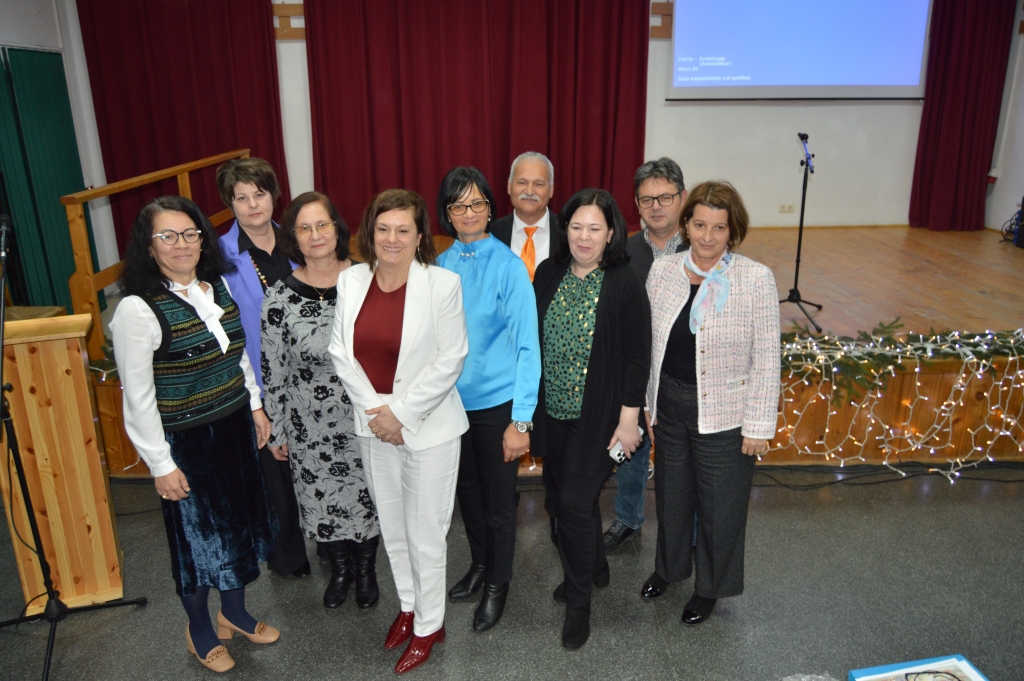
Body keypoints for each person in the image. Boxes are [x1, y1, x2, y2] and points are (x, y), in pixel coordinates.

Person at [110, 196, 279, 673]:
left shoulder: (216, 285)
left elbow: (237, 354)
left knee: (238, 527)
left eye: (190, 233)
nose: (181, 244)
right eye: (167, 236)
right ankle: (199, 629)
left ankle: (234, 614)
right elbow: (138, 398)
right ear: (148, 247)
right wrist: (160, 464)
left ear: (203, 239)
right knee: (197, 543)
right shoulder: (138, 310)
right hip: (187, 443)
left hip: (234, 427)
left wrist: (254, 406)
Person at [328, 189, 468, 675]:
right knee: (393, 526)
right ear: (370, 232)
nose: (392, 239)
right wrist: (378, 413)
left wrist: (401, 414)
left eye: (403, 230)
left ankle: (430, 626)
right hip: (373, 426)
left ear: (419, 235)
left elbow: (451, 358)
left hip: (429, 427)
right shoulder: (351, 280)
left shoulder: (442, 284)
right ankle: (409, 607)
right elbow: (340, 352)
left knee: (426, 533)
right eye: (383, 229)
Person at [642, 181, 780, 626]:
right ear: (686, 225)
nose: (707, 236)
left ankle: (709, 588)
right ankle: (669, 569)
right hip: (670, 403)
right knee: (672, 497)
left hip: (725, 413)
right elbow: (650, 345)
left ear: (732, 231)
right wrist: (648, 404)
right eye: (699, 225)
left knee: (721, 508)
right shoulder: (663, 270)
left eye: (718, 228)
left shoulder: (755, 279)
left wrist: (758, 425)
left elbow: (767, 358)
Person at [531, 188, 651, 649]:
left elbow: (637, 359)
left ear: (611, 232)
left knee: (575, 505)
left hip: (602, 420)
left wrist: (629, 421)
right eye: (576, 226)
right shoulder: (549, 272)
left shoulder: (624, 282)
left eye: (594, 228)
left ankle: (579, 603)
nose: (584, 236)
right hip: (553, 413)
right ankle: (595, 568)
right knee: (557, 501)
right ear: (565, 229)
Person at [260, 192, 381, 611]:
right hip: (309, 425)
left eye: (322, 225)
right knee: (324, 497)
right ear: (293, 236)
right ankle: (341, 571)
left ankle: (366, 571)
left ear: (337, 228)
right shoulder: (279, 297)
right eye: (304, 228)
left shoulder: (369, 280)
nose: (315, 235)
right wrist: (276, 428)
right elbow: (273, 368)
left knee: (368, 495)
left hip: (368, 416)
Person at [435, 167, 541, 632]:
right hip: (450, 406)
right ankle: (480, 565)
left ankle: (498, 584)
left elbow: (528, 348)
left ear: (490, 208)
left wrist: (521, 421)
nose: (469, 212)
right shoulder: (439, 266)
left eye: (477, 203)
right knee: (468, 495)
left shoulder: (509, 266)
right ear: (447, 213)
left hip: (498, 406)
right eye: (459, 205)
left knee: (499, 505)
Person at [216, 158, 309, 579]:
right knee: (276, 476)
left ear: (274, 196)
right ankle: (288, 556)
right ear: (230, 203)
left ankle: (333, 545)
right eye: (241, 197)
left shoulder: (298, 239)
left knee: (317, 463)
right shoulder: (219, 256)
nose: (253, 205)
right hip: (259, 380)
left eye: (259, 194)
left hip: (311, 376)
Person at [604, 158, 690, 554]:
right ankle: (627, 518)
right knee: (630, 447)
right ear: (636, 204)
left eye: (665, 197)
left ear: (682, 197)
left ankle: (685, 529)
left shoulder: (700, 247)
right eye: (646, 199)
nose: (656, 206)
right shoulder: (623, 251)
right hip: (633, 369)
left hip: (681, 371)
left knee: (682, 458)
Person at [491, 151, 557, 282]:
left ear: (551, 190)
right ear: (509, 186)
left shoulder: (568, 234)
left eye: (538, 184)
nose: (529, 191)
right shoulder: (491, 234)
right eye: (522, 182)